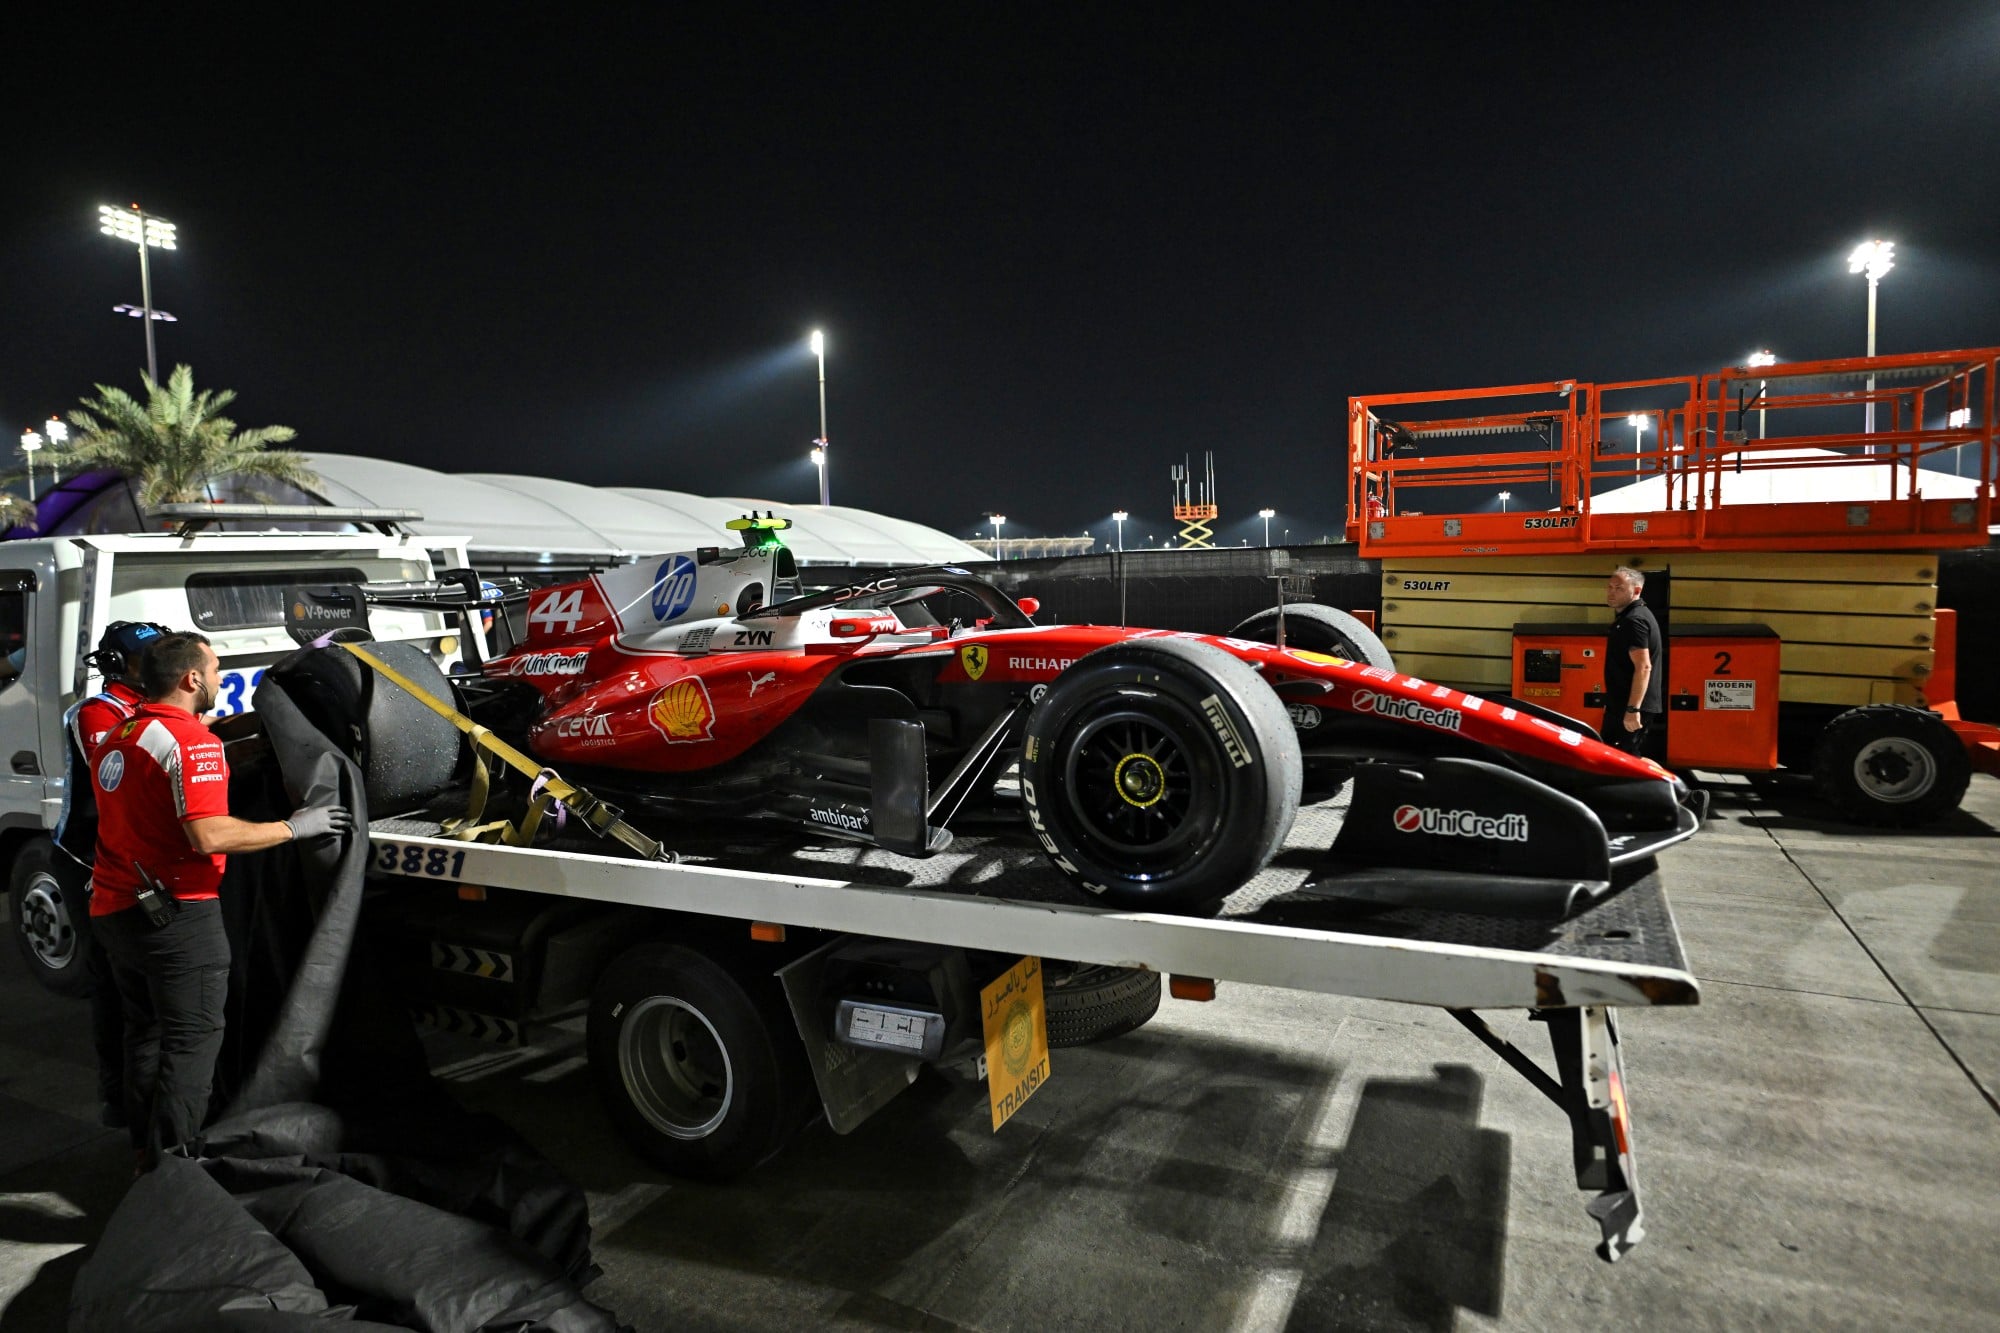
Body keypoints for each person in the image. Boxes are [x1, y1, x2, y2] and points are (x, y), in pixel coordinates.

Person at [88, 630, 352, 1168]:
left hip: (117, 909)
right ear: (191, 679)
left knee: (146, 1035)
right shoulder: (190, 743)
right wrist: (294, 827)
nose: (218, 677)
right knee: (191, 1044)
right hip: (178, 916)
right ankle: (176, 1174)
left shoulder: (122, 733)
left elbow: (155, 790)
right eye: (214, 669)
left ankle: (144, 1150)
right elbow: (208, 834)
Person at [56, 621, 168, 1128]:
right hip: (89, 859)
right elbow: (123, 771)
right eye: (152, 657)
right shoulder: (97, 712)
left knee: (144, 982)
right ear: (121, 666)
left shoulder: (154, 707)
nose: (164, 664)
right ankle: (117, 1098)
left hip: (132, 857)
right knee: (112, 982)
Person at [1603, 565, 1662, 756]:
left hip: (1631, 707)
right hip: (1622, 705)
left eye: (1619, 588)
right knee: (1626, 757)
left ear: (1637, 590)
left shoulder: (1634, 620)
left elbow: (1644, 667)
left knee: (1623, 760)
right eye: (1610, 587)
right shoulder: (1630, 617)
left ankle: (1673, 786)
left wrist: (1632, 709)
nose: (1611, 592)